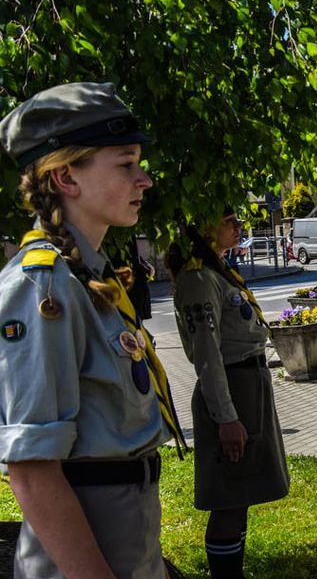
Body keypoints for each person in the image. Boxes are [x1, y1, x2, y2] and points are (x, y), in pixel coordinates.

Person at [0, 82, 184, 578]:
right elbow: (32, 472)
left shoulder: (85, 277)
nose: (144, 180)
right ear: (66, 177)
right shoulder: (44, 286)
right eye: (125, 164)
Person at [169, 208, 289, 578]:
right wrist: (227, 418)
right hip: (232, 390)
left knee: (242, 494)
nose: (239, 227)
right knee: (230, 498)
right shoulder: (199, 278)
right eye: (230, 220)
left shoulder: (218, 271)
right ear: (205, 227)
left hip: (248, 387)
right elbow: (207, 355)